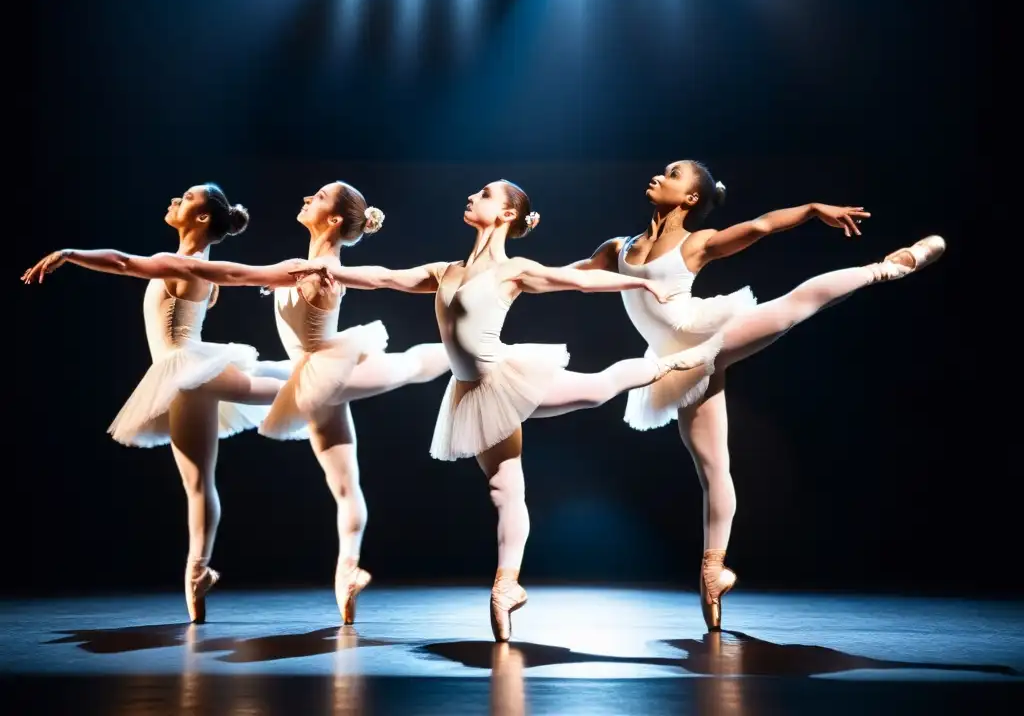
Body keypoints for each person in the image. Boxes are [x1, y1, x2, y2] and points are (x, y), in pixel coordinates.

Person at [291, 179, 722, 641]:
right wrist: (321, 268)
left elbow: (578, 279)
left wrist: (639, 281)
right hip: (474, 395)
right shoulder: (446, 270)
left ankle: (672, 362)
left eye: (485, 194)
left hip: (509, 377)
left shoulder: (513, 270)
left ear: (507, 215)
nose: (472, 196)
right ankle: (506, 585)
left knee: (598, 388)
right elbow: (384, 277)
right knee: (505, 493)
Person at [569, 159, 946, 631]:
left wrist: (811, 209)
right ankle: (712, 570)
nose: (659, 175)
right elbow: (572, 275)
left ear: (690, 199)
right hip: (674, 364)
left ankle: (890, 267)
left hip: (707, 334)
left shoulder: (697, 244)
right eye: (663, 170)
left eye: (673, 174)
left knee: (794, 305)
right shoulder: (617, 248)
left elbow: (762, 226)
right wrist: (508, 279)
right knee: (713, 468)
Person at [120, 181, 452, 624]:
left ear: (333, 220)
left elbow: (387, 279)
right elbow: (238, 275)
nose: (304, 199)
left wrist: (450, 276)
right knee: (344, 485)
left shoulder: (326, 268)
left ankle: (468, 354)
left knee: (410, 365)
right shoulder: (303, 265)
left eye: (316, 198)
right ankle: (347, 571)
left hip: (328, 372)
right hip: (308, 376)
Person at [21, 183, 295, 623]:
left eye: (185, 198)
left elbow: (124, 263)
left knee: (285, 394)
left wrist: (71, 253)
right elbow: (244, 274)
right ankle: (197, 576)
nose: (174, 200)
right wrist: (285, 274)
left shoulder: (180, 264)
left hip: (187, 367)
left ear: (202, 219)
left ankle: (334, 383)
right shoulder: (200, 267)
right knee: (200, 483)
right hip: (184, 377)